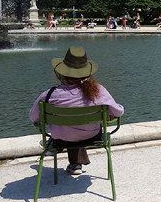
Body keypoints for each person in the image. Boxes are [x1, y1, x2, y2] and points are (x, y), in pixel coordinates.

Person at [29, 47, 124, 175]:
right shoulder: (98, 91)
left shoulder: (50, 94)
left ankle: (72, 162)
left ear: (62, 72)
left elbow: (33, 117)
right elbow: (118, 112)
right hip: (92, 136)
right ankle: (75, 164)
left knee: (70, 128)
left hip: (60, 139)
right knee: (81, 127)